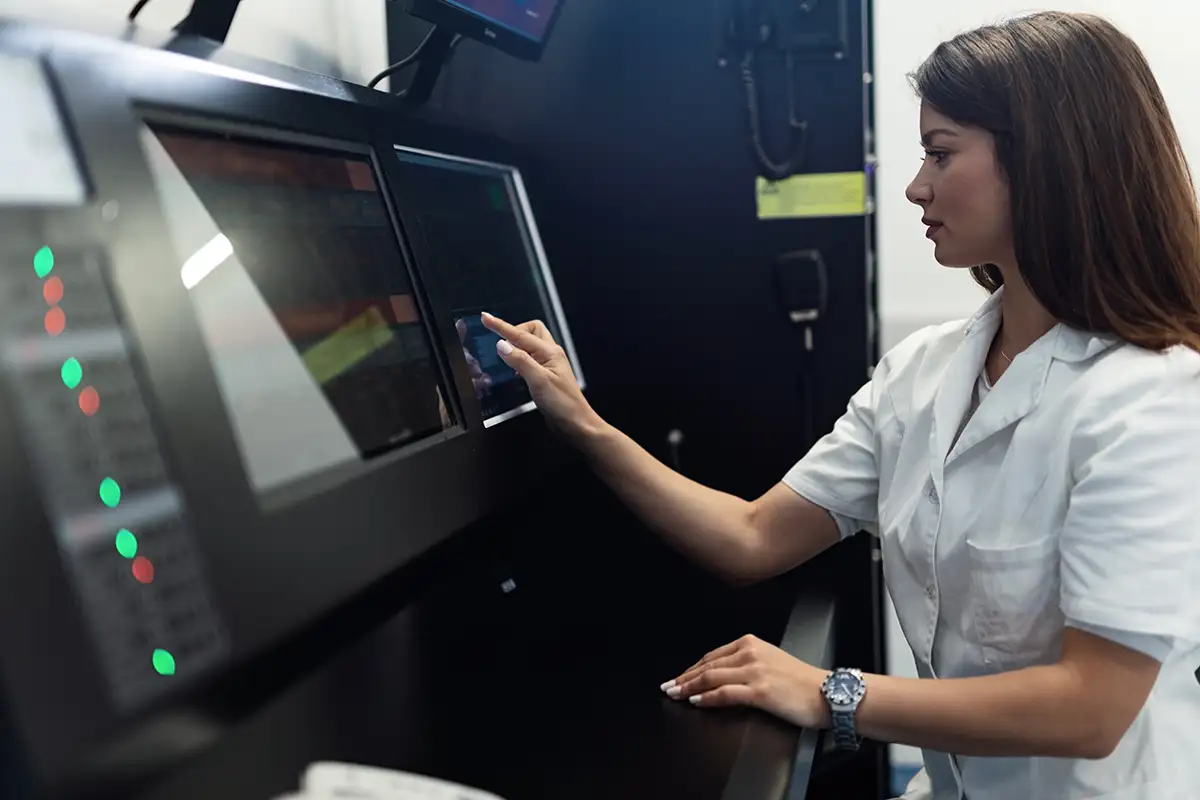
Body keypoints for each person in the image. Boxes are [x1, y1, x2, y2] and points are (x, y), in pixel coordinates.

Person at [482, 11, 1200, 800]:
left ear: (1046, 161)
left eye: (940, 152)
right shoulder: (923, 372)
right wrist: (584, 424)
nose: (915, 185)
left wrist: (834, 693)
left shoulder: (1152, 401)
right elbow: (751, 537)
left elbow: (1092, 708)